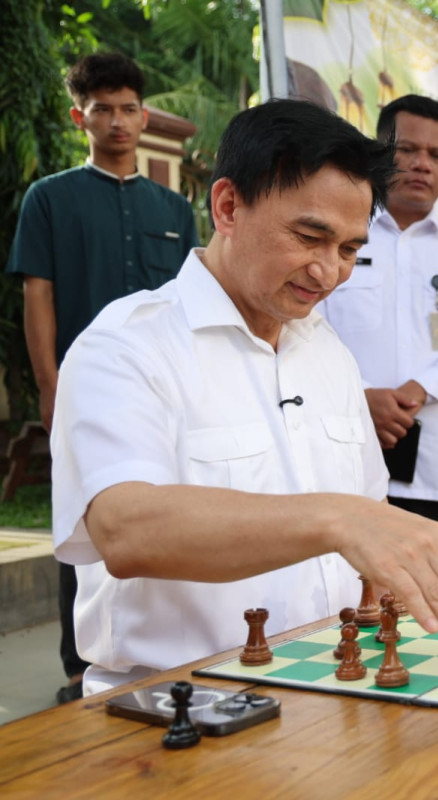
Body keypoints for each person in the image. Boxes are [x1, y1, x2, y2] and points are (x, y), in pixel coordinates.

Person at [51, 99, 438, 697]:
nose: (328, 272)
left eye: (348, 250)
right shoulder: (126, 345)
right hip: (175, 712)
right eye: (310, 236)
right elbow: (126, 530)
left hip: (330, 692)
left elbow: (368, 537)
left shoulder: (328, 355)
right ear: (229, 206)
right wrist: (337, 520)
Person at [5, 53, 199, 704]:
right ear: (78, 116)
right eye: (102, 109)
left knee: (165, 508)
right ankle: (76, 666)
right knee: (86, 521)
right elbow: (40, 295)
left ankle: (168, 649)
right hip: (83, 394)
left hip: (169, 391)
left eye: (128, 109)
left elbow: (193, 301)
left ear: (144, 115)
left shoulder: (174, 206)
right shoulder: (49, 199)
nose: (117, 122)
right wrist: (52, 386)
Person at [320, 95, 438, 550]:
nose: (421, 164)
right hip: (348, 468)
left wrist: (419, 389)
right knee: (355, 614)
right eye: (406, 149)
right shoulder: (336, 240)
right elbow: (305, 331)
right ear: (380, 152)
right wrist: (359, 397)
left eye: (436, 155)